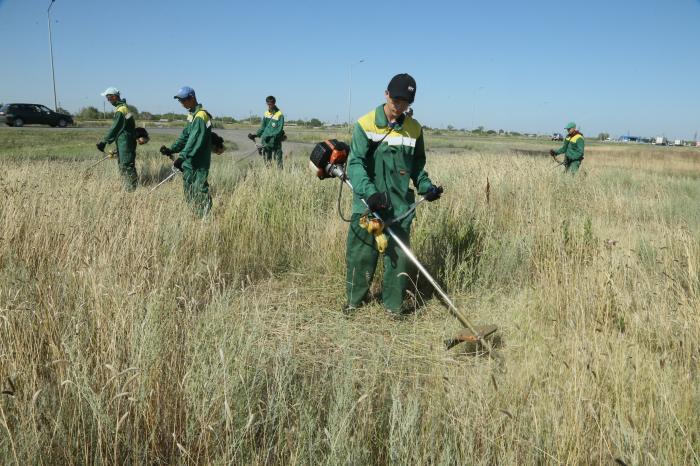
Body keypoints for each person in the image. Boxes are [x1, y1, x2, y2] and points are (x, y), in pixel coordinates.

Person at [344, 73, 443, 317]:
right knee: (360, 256)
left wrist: (426, 187)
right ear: (386, 94)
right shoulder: (366, 124)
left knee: (399, 258)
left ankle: (393, 307)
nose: (399, 106)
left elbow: (417, 165)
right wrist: (371, 193)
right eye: (396, 99)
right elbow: (354, 164)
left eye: (405, 102)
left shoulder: (414, 129)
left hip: (400, 207)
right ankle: (354, 302)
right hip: (368, 205)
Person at [159, 86, 213, 217]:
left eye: (183, 100)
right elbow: (185, 136)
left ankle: (205, 218)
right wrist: (172, 149)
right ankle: (194, 215)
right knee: (189, 188)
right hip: (189, 161)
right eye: (179, 101)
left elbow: (194, 141)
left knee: (199, 189)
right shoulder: (192, 115)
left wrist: (181, 157)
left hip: (198, 161)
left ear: (192, 98)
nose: (181, 103)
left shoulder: (201, 116)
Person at [96, 87, 138, 191]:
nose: (108, 100)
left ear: (114, 97)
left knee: (126, 164)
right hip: (125, 140)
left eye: (109, 98)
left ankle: (131, 189)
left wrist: (104, 142)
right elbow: (128, 124)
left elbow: (115, 127)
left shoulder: (120, 110)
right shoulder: (124, 107)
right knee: (125, 163)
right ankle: (129, 186)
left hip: (125, 140)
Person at [248, 96, 285, 168]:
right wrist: (255, 135)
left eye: (271, 104)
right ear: (266, 103)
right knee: (267, 161)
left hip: (275, 141)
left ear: (274, 103)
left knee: (278, 160)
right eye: (268, 104)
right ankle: (269, 174)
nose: (270, 106)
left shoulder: (280, 114)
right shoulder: (266, 113)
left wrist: (271, 136)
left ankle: (280, 175)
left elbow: (279, 130)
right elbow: (262, 127)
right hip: (265, 141)